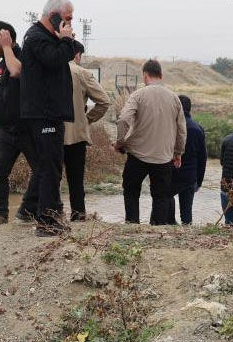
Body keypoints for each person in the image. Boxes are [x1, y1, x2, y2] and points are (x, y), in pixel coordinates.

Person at [20, 0, 77, 237]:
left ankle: (33, 212)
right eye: (67, 19)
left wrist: (66, 41)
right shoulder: (36, 37)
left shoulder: (48, 37)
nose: (70, 25)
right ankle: (46, 222)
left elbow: (74, 49)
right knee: (49, 167)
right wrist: (66, 41)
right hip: (43, 113)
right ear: (53, 15)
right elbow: (55, 60)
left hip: (49, 112)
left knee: (49, 165)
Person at [0, 22, 40, 226]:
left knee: (41, 170)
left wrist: (7, 47)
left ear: (6, 38)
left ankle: (28, 210)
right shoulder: (2, 62)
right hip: (6, 130)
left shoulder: (21, 56)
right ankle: (0, 214)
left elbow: (18, 72)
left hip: (27, 128)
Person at [115, 59, 187, 225]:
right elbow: (182, 131)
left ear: (144, 76)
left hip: (137, 156)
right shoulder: (174, 99)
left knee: (131, 191)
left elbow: (123, 120)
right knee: (161, 196)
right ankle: (157, 228)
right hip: (163, 157)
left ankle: (132, 224)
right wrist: (178, 153)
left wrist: (120, 143)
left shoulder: (138, 95)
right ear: (161, 75)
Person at [63, 41, 111, 221]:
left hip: (50, 134)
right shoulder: (81, 73)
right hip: (76, 135)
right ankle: (78, 216)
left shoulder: (47, 71)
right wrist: (86, 119)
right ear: (77, 55)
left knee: (46, 177)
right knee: (76, 181)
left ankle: (44, 214)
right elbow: (104, 102)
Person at [167, 95, 206, 225]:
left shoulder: (170, 127)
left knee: (164, 200)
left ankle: (167, 224)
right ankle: (186, 230)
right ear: (190, 109)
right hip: (190, 175)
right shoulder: (198, 128)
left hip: (171, 173)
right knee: (187, 214)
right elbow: (202, 158)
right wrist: (199, 181)